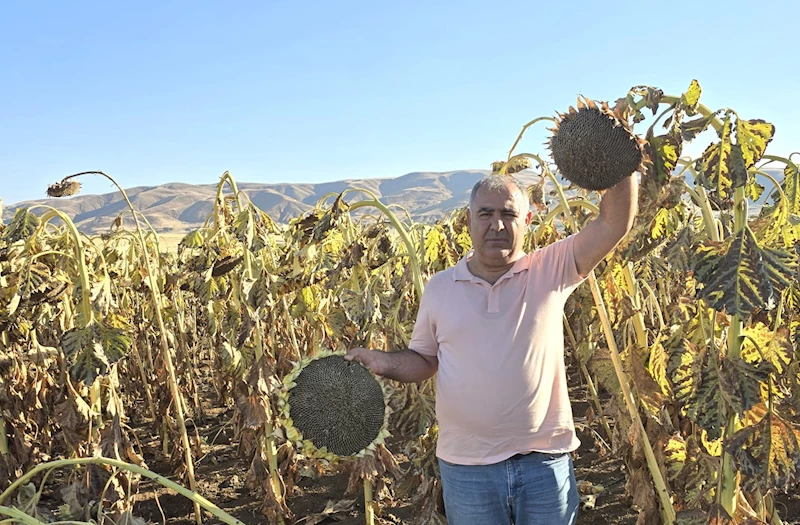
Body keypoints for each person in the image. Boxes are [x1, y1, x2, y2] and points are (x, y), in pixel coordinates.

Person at [345, 172, 638, 524]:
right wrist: (381, 361)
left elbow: (614, 223)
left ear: (527, 221)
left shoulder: (551, 268)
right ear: (468, 221)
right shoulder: (440, 288)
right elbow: (424, 359)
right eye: (485, 214)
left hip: (543, 461)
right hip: (468, 468)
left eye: (509, 215)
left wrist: (621, 160)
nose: (497, 225)